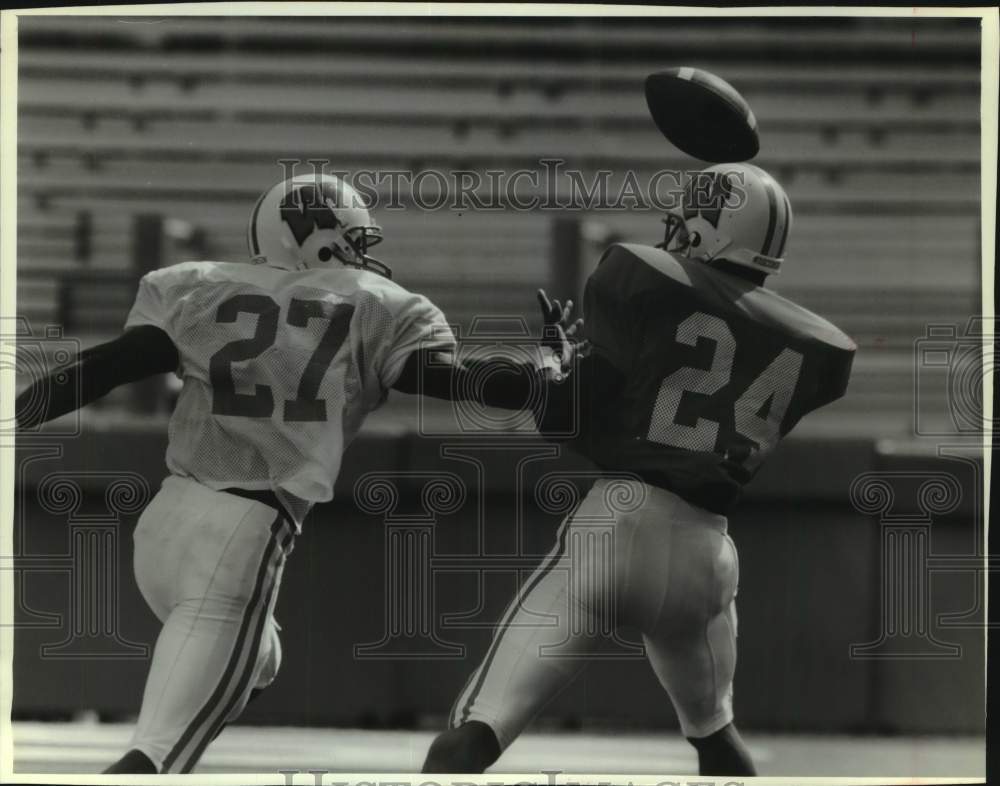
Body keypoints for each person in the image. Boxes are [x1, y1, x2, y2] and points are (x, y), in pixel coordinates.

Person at [14, 172, 574, 774]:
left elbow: (104, 368)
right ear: (311, 237)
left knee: (262, 659)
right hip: (241, 538)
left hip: (161, 528)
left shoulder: (197, 288)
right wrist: (546, 365)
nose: (362, 255)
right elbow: (465, 383)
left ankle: (218, 673)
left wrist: (14, 416)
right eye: (352, 239)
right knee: (154, 759)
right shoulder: (375, 307)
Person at [423, 163, 857, 776]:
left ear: (712, 231)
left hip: (621, 524)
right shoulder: (810, 344)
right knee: (717, 738)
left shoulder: (644, 281)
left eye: (685, 222)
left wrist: (557, 364)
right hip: (707, 554)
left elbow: (574, 419)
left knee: (477, 729)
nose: (672, 231)